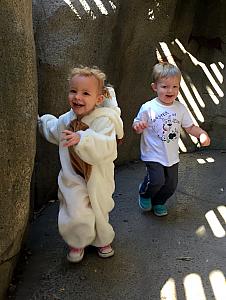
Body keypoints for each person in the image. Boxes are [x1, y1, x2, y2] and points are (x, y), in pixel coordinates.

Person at [38, 66, 124, 262]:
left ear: (99, 99)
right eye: (73, 91)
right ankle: (77, 241)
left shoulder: (105, 120)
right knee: (75, 210)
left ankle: (102, 238)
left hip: (98, 176)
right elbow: (54, 130)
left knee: (98, 209)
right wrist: (41, 122)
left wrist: (83, 139)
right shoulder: (68, 118)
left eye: (86, 93)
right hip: (74, 176)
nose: (78, 97)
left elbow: (108, 147)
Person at [132, 62, 210, 217]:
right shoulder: (148, 107)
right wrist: (138, 126)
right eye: (165, 86)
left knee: (171, 185)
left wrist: (201, 134)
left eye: (175, 87)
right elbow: (136, 122)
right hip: (152, 153)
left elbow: (190, 127)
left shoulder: (180, 108)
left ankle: (159, 202)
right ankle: (145, 193)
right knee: (156, 180)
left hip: (171, 155)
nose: (170, 90)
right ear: (155, 87)